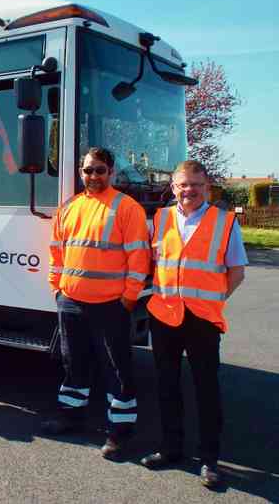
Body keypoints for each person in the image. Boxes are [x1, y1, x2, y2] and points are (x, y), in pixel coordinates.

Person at [141, 160, 247, 489]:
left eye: (196, 185)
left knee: (206, 389)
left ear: (207, 187)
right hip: (164, 315)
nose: (189, 190)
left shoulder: (225, 222)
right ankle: (170, 448)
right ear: (173, 187)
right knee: (166, 385)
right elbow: (151, 264)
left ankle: (210, 460)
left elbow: (237, 272)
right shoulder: (159, 219)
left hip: (202, 320)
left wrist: (212, 301)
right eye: (182, 185)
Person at [42, 147, 151, 461]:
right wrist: (58, 289)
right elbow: (56, 252)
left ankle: (120, 433)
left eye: (100, 170)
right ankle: (71, 416)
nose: (93, 176)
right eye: (88, 170)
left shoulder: (126, 207)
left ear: (111, 172)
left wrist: (130, 297)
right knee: (73, 363)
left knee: (116, 369)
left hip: (110, 305)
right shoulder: (69, 208)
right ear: (81, 172)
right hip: (72, 302)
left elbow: (138, 256)